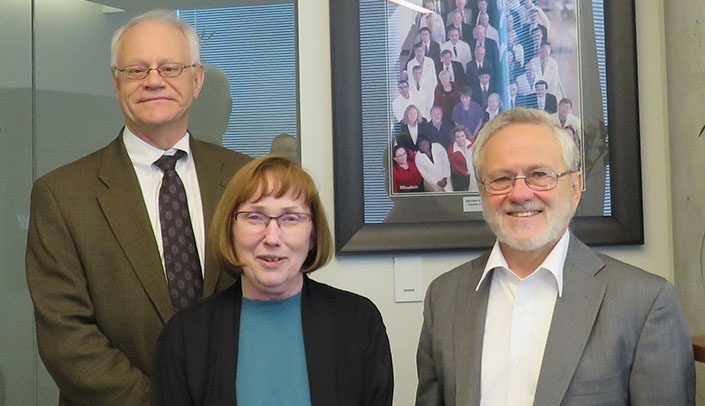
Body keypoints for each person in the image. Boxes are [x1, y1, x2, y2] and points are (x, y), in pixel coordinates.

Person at [25, 10, 251, 404]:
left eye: (170, 67)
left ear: (196, 81)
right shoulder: (61, 195)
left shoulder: (245, 179)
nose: (153, 81)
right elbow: (66, 337)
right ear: (116, 84)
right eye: (135, 70)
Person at [415, 108, 695, 405]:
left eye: (540, 175)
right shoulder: (443, 297)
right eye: (501, 178)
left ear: (575, 188)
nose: (520, 194)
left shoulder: (645, 302)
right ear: (483, 192)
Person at [151, 156, 394, 404]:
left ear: (312, 235)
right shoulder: (184, 336)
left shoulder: (359, 322)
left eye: (290, 218)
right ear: (230, 230)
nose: (272, 237)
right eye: (255, 217)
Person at [447, 124, 478, 192]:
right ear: (454, 138)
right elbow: (454, 165)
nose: (461, 139)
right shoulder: (451, 149)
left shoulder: (473, 143)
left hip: (473, 174)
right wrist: (465, 172)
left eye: (462, 136)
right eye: (457, 137)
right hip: (459, 176)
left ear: (466, 136)